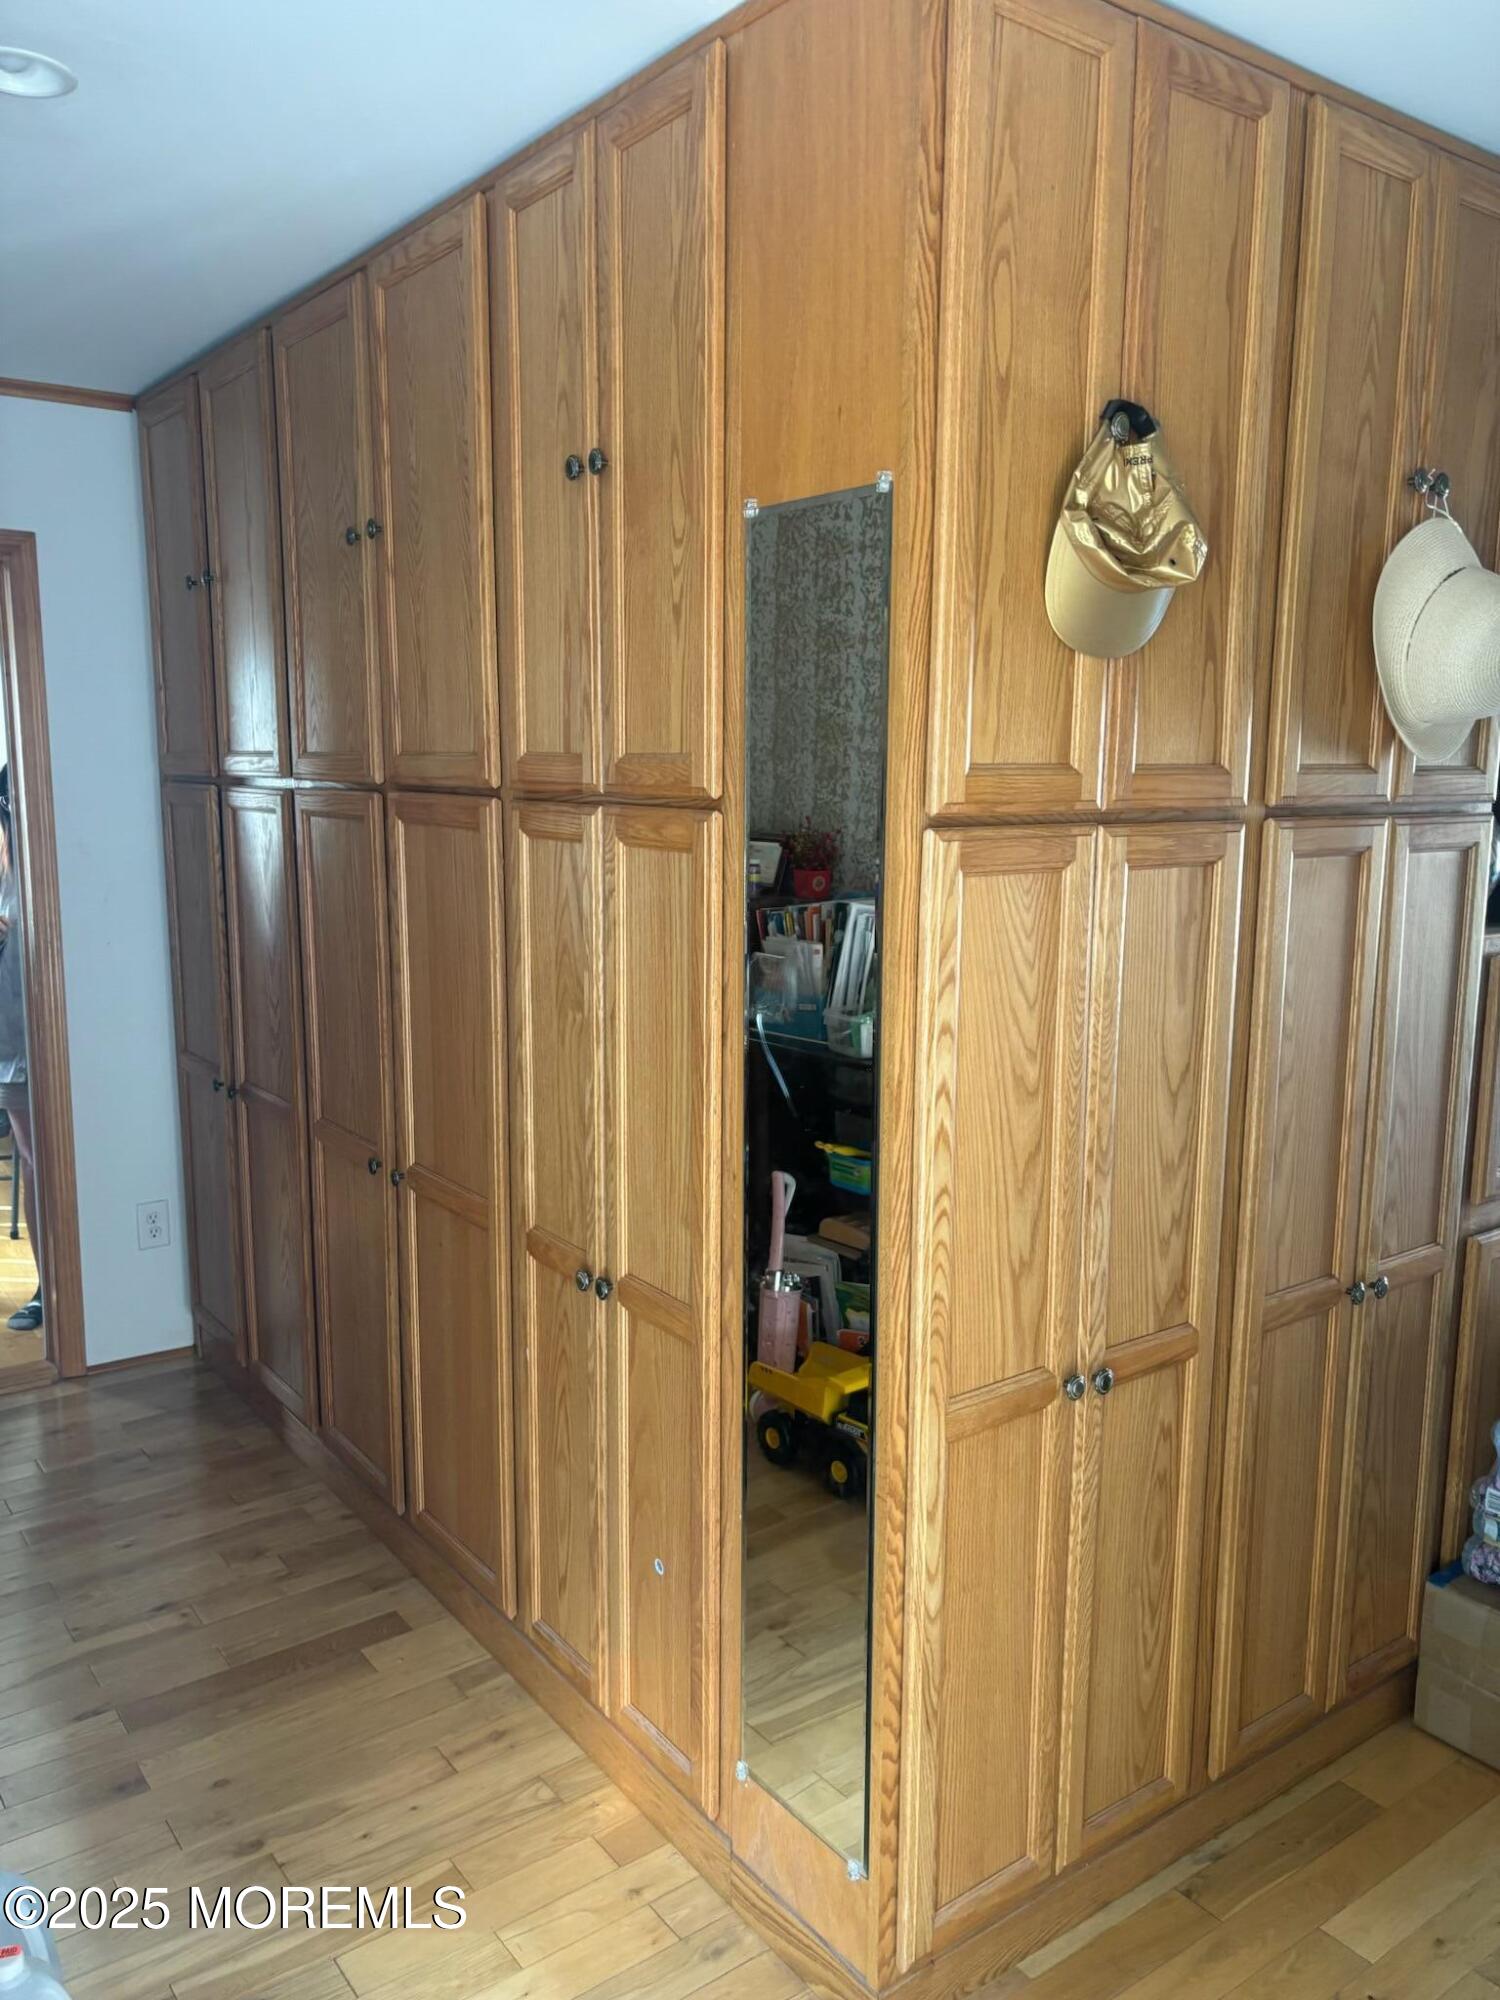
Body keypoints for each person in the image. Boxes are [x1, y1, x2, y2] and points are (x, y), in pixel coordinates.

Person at [0, 768, 41, 1334]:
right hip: (10, 1040)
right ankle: (47, 1284)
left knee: (48, 1166)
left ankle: (61, 1288)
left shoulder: (42, 860)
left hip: (45, 1034)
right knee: (36, 1166)